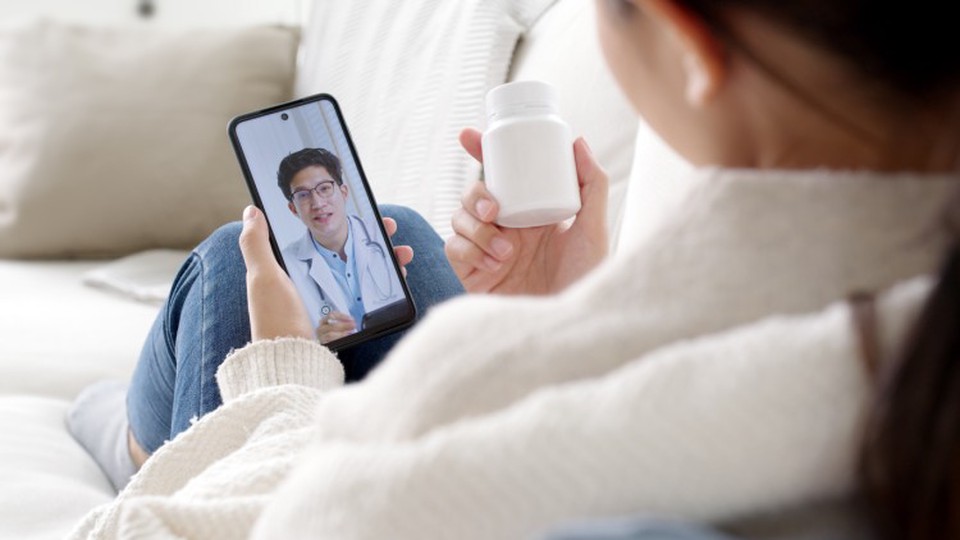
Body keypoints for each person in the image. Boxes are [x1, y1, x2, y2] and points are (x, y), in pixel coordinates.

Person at [68, 0, 959, 539]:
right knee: (406, 230)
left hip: (274, 453)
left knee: (234, 257)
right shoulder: (902, 353)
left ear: (691, 44)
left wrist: (280, 378)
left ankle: (131, 438)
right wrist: (571, 312)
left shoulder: (472, 394)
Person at [276, 147, 405, 344]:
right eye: (303, 195)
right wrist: (317, 342)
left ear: (344, 192)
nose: (317, 203)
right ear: (293, 209)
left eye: (325, 188)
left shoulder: (382, 232)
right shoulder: (284, 266)